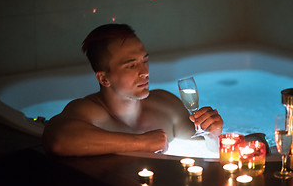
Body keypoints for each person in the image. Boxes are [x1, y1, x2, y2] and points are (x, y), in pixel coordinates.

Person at [42, 24, 224, 156]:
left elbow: (207, 151)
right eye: (131, 66)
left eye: (145, 61)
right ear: (104, 78)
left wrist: (212, 134)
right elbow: (58, 139)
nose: (145, 72)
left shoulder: (165, 104)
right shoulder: (90, 111)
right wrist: (142, 142)